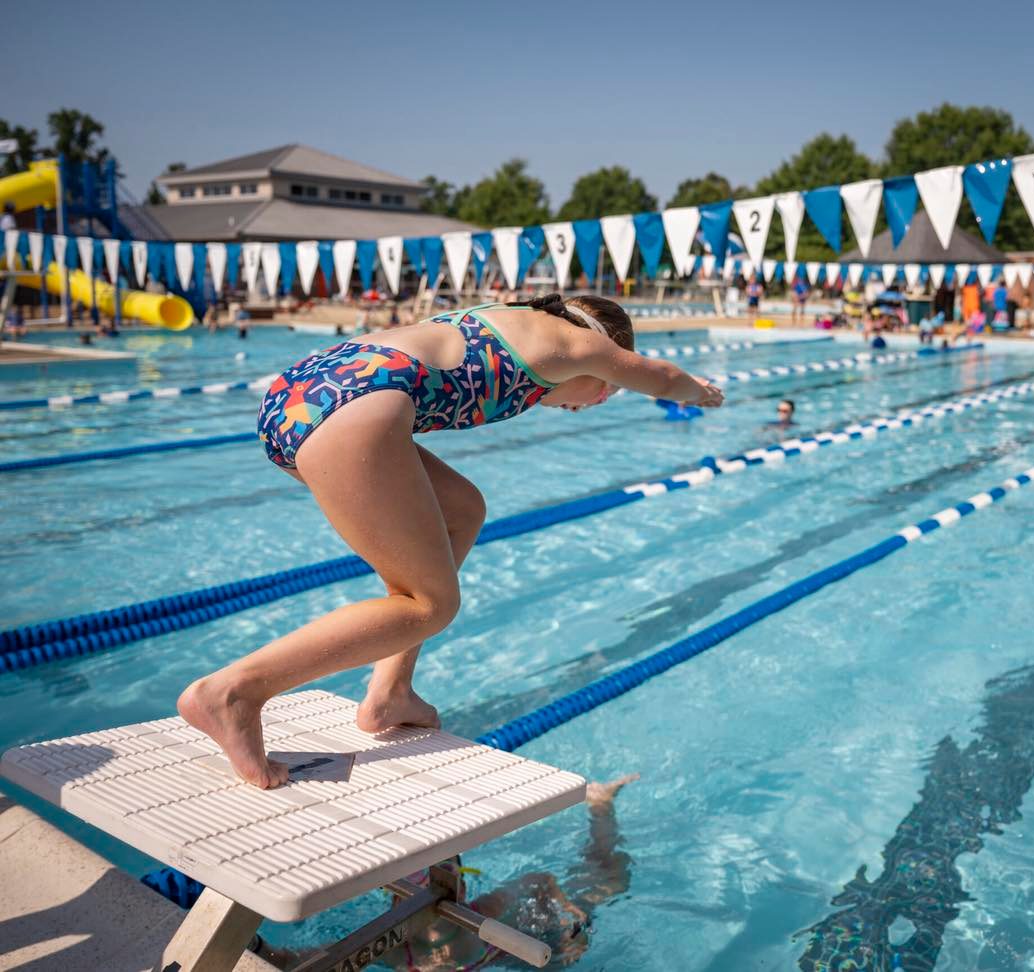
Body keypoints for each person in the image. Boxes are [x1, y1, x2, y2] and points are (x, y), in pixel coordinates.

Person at [178, 295, 725, 787]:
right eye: (606, 388)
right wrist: (700, 393)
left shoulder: (507, 320)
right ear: (602, 350)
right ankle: (234, 691)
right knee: (429, 605)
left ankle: (390, 692)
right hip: (355, 403)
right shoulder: (575, 342)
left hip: (299, 396)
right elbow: (657, 374)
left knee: (462, 510)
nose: (596, 399)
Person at [255, 774, 640, 970]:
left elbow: (535, 880)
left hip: (510, 948)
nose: (432, 888)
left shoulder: (483, 912)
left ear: (461, 888)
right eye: (419, 883)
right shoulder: (393, 949)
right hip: (493, 957)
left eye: (440, 878)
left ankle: (600, 804)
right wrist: (256, 949)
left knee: (610, 879)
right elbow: (304, 961)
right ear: (393, 901)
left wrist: (563, 907)